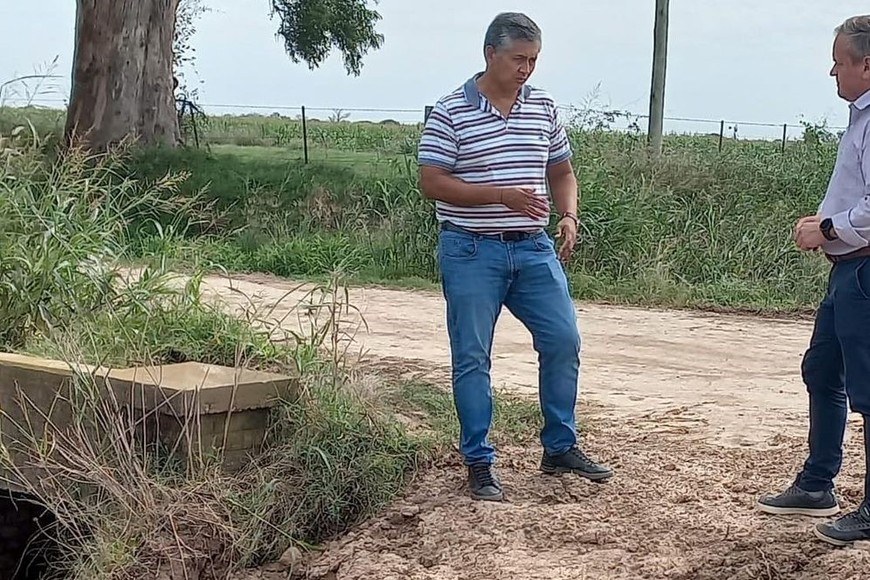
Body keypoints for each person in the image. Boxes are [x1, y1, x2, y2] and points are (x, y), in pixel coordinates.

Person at [416, 12, 613, 502]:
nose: (527, 69)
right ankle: (479, 461)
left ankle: (560, 447)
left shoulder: (543, 107)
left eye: (534, 60)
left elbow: (562, 170)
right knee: (472, 356)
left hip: (532, 247)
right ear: (490, 55)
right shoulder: (450, 111)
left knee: (563, 339)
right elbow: (432, 182)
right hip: (470, 248)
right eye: (518, 59)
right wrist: (499, 195)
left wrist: (568, 214)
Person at [756, 15, 870, 546]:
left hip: (865, 270)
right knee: (822, 371)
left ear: (866, 65)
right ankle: (817, 483)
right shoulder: (860, 118)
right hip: (848, 270)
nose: (832, 70)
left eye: (839, 61)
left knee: (868, 392)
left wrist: (827, 227)